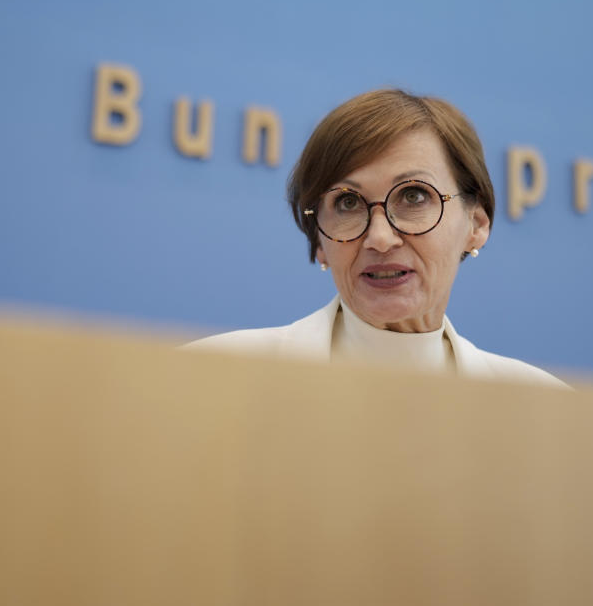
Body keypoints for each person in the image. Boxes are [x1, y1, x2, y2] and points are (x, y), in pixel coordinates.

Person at [185, 89, 567, 388]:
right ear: (319, 240)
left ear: (476, 224)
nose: (380, 239)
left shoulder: (545, 406)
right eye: (348, 202)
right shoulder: (209, 374)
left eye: (414, 196)